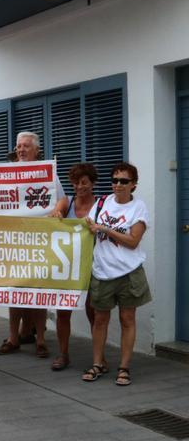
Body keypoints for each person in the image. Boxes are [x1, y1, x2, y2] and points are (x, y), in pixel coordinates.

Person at [0, 131, 66, 358]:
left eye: (26, 146)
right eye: (18, 146)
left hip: (38, 239)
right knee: (14, 289)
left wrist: (58, 209)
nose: (21, 150)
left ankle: (41, 340)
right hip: (13, 240)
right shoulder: (6, 172)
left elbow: (63, 198)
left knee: (37, 289)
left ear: (36, 150)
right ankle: (13, 337)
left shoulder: (46, 173)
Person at [82, 163, 151, 386]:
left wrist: (105, 229)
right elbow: (86, 228)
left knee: (127, 319)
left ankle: (124, 368)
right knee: (100, 319)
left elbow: (133, 241)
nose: (118, 185)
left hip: (129, 272)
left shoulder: (138, 207)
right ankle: (97, 363)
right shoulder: (102, 203)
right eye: (114, 180)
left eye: (123, 181)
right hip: (102, 271)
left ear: (133, 185)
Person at [49, 163, 99, 371]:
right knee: (63, 312)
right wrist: (56, 215)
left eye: (84, 182)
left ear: (93, 183)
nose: (79, 187)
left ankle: (99, 357)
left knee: (93, 312)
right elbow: (55, 213)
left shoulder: (101, 205)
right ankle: (63, 354)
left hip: (94, 266)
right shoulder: (66, 202)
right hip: (67, 267)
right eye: (75, 182)